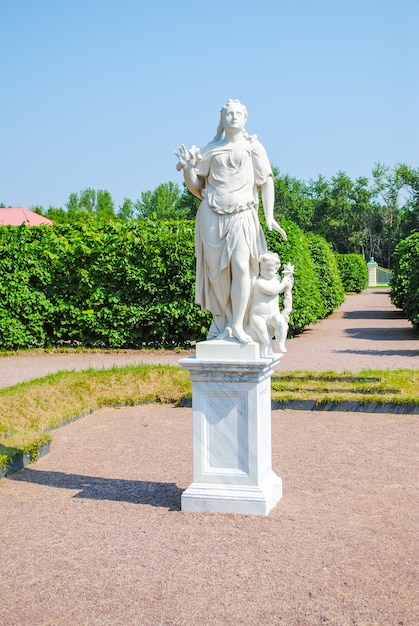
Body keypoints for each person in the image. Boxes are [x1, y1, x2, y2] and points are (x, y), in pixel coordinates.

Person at [176, 99, 287, 343]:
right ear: (221, 118)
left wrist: (269, 217)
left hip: (243, 213)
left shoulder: (253, 147)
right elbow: (197, 188)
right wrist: (187, 169)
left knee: (241, 264)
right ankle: (223, 321)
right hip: (212, 215)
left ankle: (238, 324)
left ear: (245, 119)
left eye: (238, 114)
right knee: (216, 274)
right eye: (229, 114)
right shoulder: (210, 149)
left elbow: (266, 180)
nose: (234, 117)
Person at [247, 252, 294, 356]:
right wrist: (283, 283)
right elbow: (273, 291)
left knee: (281, 323)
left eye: (269, 270)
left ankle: (281, 343)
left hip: (273, 314)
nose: (266, 272)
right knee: (263, 334)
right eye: (263, 270)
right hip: (257, 316)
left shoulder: (277, 279)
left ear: (276, 269)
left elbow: (280, 290)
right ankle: (270, 346)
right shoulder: (259, 282)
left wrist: (288, 284)